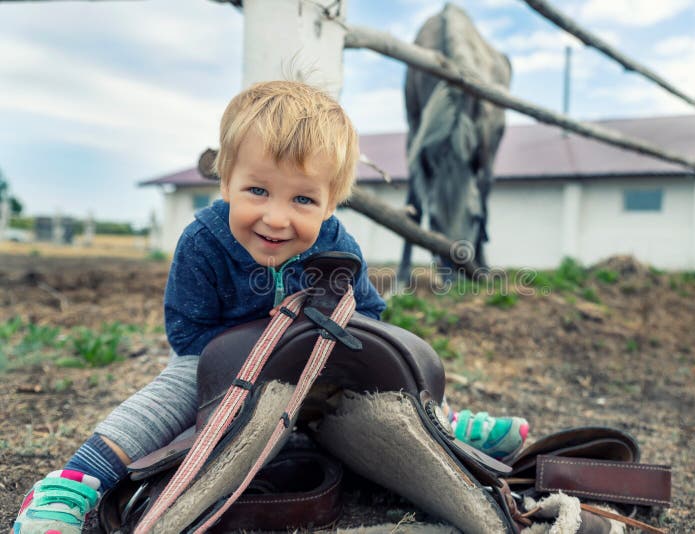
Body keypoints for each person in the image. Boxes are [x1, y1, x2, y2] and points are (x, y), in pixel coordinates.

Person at [12, 80, 528, 534]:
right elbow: (188, 333)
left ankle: (443, 421)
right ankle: (76, 479)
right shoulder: (203, 241)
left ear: (330, 202)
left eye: (303, 200)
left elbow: (368, 317)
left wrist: (339, 359)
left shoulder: (337, 244)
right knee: (170, 396)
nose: (276, 219)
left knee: (390, 386)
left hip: (319, 361)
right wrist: (255, 358)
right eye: (257, 190)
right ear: (226, 182)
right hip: (220, 361)